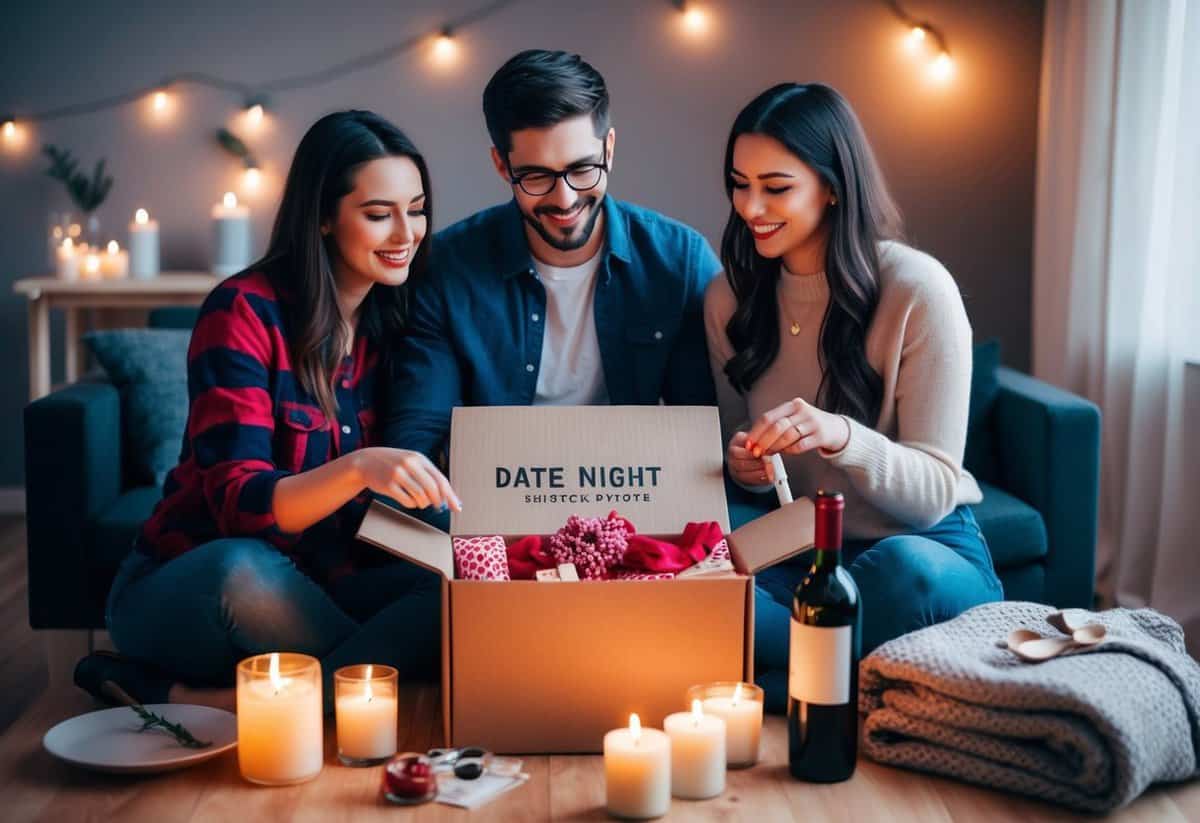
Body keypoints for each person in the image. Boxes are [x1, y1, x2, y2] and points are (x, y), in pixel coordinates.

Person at [75, 111, 459, 712]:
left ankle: (211, 702)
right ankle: (361, 686)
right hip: (201, 586)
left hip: (325, 589)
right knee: (242, 569)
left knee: (459, 588)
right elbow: (241, 504)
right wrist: (359, 467)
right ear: (325, 218)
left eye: (416, 209)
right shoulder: (243, 311)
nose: (406, 233)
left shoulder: (398, 322)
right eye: (380, 214)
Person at [704, 83, 1003, 713]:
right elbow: (751, 480)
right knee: (698, 583)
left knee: (902, 573)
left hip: (923, 548)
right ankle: (851, 683)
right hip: (802, 550)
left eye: (776, 187)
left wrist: (842, 436)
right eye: (739, 183)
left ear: (832, 185)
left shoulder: (917, 289)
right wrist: (746, 464)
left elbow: (932, 493)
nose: (750, 206)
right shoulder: (729, 297)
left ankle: (776, 685)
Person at [385, 49, 720, 523]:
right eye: (537, 177)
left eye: (583, 169)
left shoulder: (678, 261)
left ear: (609, 148)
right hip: (490, 514)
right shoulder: (446, 269)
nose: (564, 200)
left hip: (638, 511)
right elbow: (415, 444)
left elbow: (705, 435)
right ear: (502, 166)